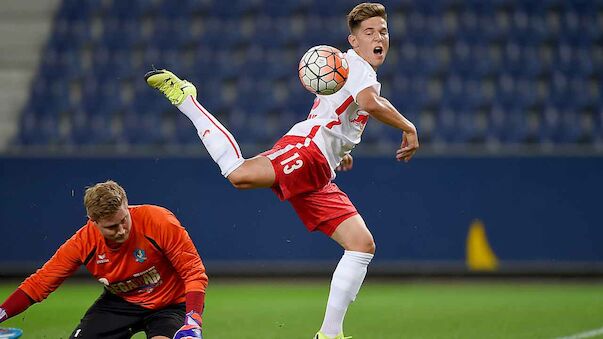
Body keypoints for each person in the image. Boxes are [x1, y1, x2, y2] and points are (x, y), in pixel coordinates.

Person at [146, 2, 418, 339]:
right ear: (353, 41)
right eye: (369, 32)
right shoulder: (358, 68)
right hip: (307, 153)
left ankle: (329, 334)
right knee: (238, 174)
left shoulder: (345, 71)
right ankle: (187, 99)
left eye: (383, 31)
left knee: (361, 244)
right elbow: (370, 104)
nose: (379, 37)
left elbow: (335, 111)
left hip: (320, 167)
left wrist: (339, 153)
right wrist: (409, 128)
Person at [0, 180, 207, 339]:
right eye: (111, 227)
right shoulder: (83, 243)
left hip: (170, 305)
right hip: (120, 303)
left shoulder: (159, 221)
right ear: (94, 222)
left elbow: (193, 272)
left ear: (127, 205)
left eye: (124, 220)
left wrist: (193, 321)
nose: (122, 230)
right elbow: (40, 283)